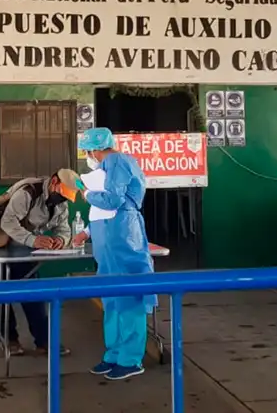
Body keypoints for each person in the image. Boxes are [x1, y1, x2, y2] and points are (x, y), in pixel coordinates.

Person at [71, 127, 156, 381]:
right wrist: (86, 232)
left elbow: (113, 201)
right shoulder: (105, 167)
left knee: (129, 296)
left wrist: (84, 192)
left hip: (122, 237)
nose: (88, 156)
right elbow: (101, 210)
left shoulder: (117, 160)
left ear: (96, 149)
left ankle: (131, 359)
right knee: (110, 298)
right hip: (106, 237)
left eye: (87, 151)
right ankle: (114, 354)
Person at [0, 169, 80, 357]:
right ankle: (8, 338)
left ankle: (44, 341)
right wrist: (33, 240)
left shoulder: (60, 204)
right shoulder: (27, 193)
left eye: (66, 198)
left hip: (24, 250)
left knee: (34, 295)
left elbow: (63, 227)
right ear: (54, 182)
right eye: (62, 194)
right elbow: (8, 222)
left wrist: (61, 239)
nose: (63, 200)